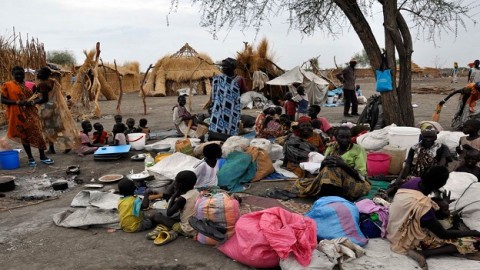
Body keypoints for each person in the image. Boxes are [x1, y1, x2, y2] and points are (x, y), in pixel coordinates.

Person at [387, 166, 480, 270]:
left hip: (394, 229)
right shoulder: (423, 205)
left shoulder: (414, 182)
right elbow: (442, 234)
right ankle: (424, 252)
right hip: (409, 239)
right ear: (441, 184)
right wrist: (473, 232)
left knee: (446, 219)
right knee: (476, 241)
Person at [292, 126, 370, 201]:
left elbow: (361, 176)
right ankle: (331, 195)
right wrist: (323, 163)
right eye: (341, 137)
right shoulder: (331, 147)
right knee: (302, 182)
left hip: (356, 182)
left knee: (335, 169)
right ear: (335, 137)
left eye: (348, 137)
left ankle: (331, 196)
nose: (345, 140)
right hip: (332, 180)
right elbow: (322, 170)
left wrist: (343, 165)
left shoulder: (358, 150)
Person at [0, 66, 52, 167]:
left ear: (24, 74)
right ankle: (30, 158)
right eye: (17, 74)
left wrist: (32, 102)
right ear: (13, 75)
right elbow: (3, 100)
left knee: (38, 133)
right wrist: (17, 102)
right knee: (24, 136)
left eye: (21, 74)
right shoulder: (7, 85)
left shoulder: (30, 85)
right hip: (17, 114)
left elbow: (38, 98)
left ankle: (42, 156)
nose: (19, 76)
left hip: (31, 113)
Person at [387, 127, 452, 194]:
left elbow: (441, 168)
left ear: (435, 138)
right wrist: (400, 179)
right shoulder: (415, 148)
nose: (428, 140)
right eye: (426, 137)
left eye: (431, 137)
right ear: (421, 137)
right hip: (415, 177)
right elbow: (407, 165)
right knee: (399, 186)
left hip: (433, 178)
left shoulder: (442, 148)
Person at [145, 170, 200, 244]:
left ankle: (175, 231)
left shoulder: (183, 198)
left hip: (187, 229)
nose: (174, 185)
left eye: (176, 182)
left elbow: (169, 213)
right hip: (197, 225)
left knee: (157, 216)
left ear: (180, 185)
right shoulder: (197, 192)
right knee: (177, 216)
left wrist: (174, 196)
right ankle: (170, 229)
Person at [34, 67, 80, 154]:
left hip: (46, 109)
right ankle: (66, 145)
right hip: (55, 107)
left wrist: (33, 102)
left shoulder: (43, 84)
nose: (38, 74)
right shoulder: (53, 82)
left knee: (47, 129)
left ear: (44, 75)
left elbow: (44, 99)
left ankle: (52, 148)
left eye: (40, 72)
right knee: (58, 128)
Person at [208, 58, 247, 139]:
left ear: (233, 67)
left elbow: (244, 92)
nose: (223, 68)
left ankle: (230, 139)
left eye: (226, 66)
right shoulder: (218, 79)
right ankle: (218, 139)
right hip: (218, 107)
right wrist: (211, 105)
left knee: (232, 127)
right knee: (217, 125)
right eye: (223, 66)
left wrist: (234, 99)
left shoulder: (239, 79)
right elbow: (213, 92)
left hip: (233, 109)